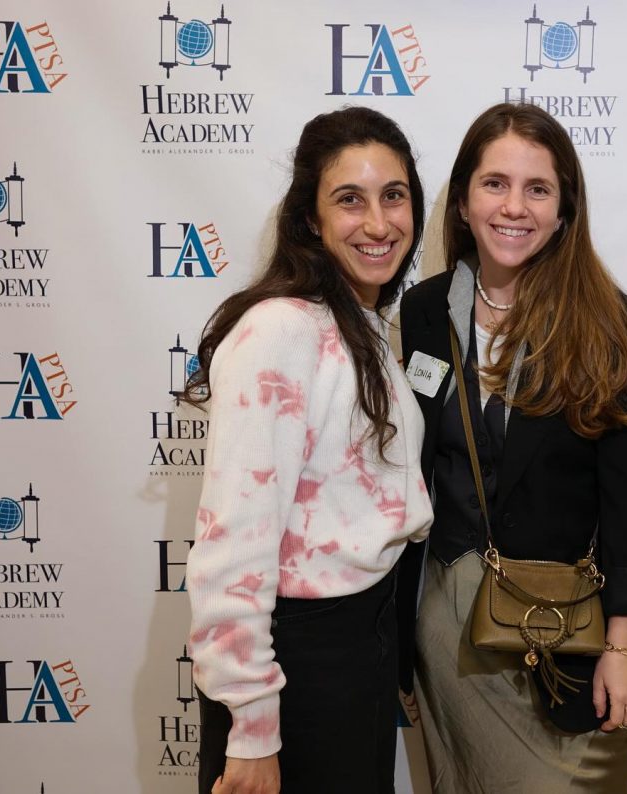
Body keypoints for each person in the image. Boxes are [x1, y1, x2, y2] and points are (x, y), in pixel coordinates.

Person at [398, 102, 627, 792]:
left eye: (537, 188)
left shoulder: (610, 326)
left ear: (564, 209)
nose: (513, 207)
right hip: (449, 632)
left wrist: (625, 647)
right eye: (494, 184)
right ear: (463, 202)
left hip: (568, 640)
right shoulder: (423, 312)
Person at [182, 106, 433, 794]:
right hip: (298, 662)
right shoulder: (279, 331)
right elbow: (233, 543)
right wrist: (252, 728)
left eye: (393, 196)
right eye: (350, 199)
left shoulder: (357, 323)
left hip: (358, 645)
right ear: (310, 220)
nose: (378, 223)